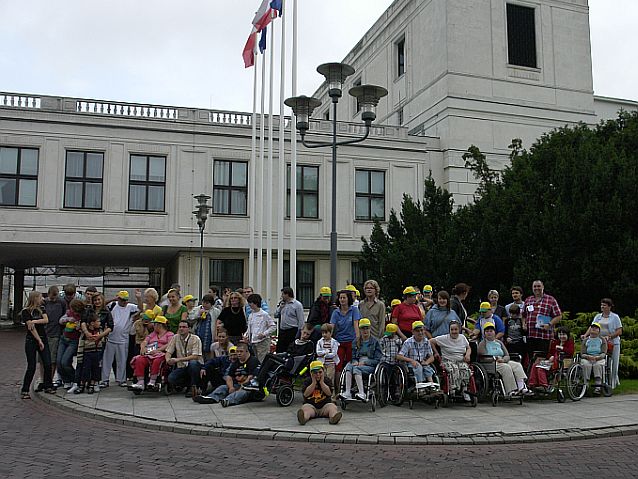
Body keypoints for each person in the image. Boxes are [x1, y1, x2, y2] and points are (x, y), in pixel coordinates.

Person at [244, 323, 315, 392]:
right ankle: (259, 379)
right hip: (287, 359)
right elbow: (288, 352)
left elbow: (302, 357)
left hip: (292, 364)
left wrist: (289, 356)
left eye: (307, 334)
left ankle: (257, 380)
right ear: (301, 330)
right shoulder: (295, 342)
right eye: (304, 332)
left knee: (269, 357)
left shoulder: (309, 345)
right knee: (269, 359)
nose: (305, 335)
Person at [194, 342, 259, 407]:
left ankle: (228, 400)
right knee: (223, 387)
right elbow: (229, 377)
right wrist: (231, 387)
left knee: (242, 392)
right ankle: (212, 398)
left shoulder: (253, 361)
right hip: (238, 385)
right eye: (237, 351)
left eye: (241, 351)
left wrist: (242, 387)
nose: (238, 354)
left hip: (250, 388)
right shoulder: (236, 362)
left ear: (247, 351)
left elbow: (251, 378)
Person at [101, 290, 142, 388]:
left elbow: (141, 308)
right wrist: (114, 299)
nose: (124, 302)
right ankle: (104, 380)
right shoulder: (113, 305)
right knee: (107, 360)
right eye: (122, 300)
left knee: (122, 360)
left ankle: (121, 379)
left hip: (123, 338)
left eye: (126, 300)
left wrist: (139, 298)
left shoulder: (130, 307)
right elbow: (103, 304)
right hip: (111, 337)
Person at [477, 322, 531, 396]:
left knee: (517, 365)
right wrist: (494, 359)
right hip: (491, 363)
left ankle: (521, 387)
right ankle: (511, 390)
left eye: (491, 331)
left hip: (502, 361)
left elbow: (507, 355)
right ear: (484, 333)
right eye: (487, 331)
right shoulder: (482, 344)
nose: (489, 333)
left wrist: (503, 360)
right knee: (506, 367)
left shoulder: (499, 342)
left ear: (494, 332)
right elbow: (482, 357)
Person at [21, 291, 55, 398]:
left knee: (48, 363)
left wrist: (34, 321)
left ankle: (48, 385)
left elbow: (46, 320)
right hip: (32, 340)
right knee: (31, 365)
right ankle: (25, 390)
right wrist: (38, 340)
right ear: (35, 298)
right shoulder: (26, 311)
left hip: (43, 337)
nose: (42, 299)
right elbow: (31, 329)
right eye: (40, 297)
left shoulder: (42, 309)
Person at [339, 318, 382, 400]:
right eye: (363, 328)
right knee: (348, 366)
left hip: (370, 364)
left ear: (370, 328)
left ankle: (362, 393)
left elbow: (378, 359)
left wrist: (365, 362)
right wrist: (354, 361)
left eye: (367, 328)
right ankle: (347, 392)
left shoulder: (375, 342)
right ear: (360, 330)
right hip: (358, 362)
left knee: (356, 368)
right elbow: (354, 356)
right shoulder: (356, 341)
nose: (365, 331)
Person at [583, 298, 622, 389]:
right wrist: (585, 335)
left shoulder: (615, 317)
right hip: (600, 342)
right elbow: (592, 327)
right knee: (602, 362)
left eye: (604, 305)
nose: (602, 307)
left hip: (613, 342)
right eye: (601, 305)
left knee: (613, 363)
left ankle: (612, 383)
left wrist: (610, 336)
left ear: (609, 307)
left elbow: (619, 331)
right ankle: (602, 381)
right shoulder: (598, 316)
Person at [430, 321, 472, 401]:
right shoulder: (444, 338)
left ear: (459, 329)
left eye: (456, 329)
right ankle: (453, 389)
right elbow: (431, 341)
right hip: (448, 360)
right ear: (449, 330)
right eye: (451, 329)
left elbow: (468, 348)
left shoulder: (462, 337)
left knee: (465, 369)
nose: (454, 331)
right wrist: (436, 352)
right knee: (454, 369)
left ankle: (464, 390)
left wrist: (467, 354)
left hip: (460, 360)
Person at [130, 316, 174, 391]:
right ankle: (140, 382)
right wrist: (143, 348)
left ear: (159, 325)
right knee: (139, 359)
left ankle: (152, 381)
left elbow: (170, 344)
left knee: (157, 360)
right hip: (150, 353)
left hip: (162, 353)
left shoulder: (169, 334)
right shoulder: (153, 334)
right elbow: (145, 341)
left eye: (155, 324)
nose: (153, 326)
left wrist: (158, 350)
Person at [522, 280, 562, 358]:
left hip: (544, 336)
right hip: (530, 335)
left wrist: (549, 324)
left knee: (541, 359)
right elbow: (523, 315)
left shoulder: (551, 300)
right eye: (535, 286)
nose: (537, 288)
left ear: (543, 287)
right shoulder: (528, 300)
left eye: (539, 286)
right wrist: (524, 323)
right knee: (531, 359)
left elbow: (559, 316)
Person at [528, 326, 574, 392]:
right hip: (552, 361)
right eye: (560, 334)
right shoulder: (555, 342)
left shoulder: (569, 342)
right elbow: (550, 353)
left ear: (567, 335)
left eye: (564, 334)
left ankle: (544, 386)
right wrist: (551, 356)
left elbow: (571, 352)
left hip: (562, 361)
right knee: (535, 365)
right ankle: (532, 384)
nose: (562, 336)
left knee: (540, 369)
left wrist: (562, 348)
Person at [165, 320, 204, 398]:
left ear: (189, 329)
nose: (181, 329)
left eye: (184, 327)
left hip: (195, 365)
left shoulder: (195, 338)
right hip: (182, 366)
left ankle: (193, 386)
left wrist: (178, 359)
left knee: (193, 363)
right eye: (180, 327)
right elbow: (168, 351)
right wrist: (168, 360)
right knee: (171, 378)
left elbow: (196, 356)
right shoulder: (175, 337)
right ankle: (186, 384)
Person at [296, 361, 342, 425]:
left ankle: (333, 418)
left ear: (323, 372)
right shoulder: (307, 381)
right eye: (315, 373)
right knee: (305, 408)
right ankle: (303, 418)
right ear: (311, 373)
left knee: (332, 407)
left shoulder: (326, 380)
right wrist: (313, 383)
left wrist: (322, 383)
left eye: (320, 372)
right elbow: (306, 394)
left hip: (325, 406)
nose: (318, 375)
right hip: (311, 406)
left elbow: (329, 393)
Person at [330, 290, 361, 379]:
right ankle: (337, 388)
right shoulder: (336, 312)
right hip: (339, 341)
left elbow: (356, 325)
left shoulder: (354, 310)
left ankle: (351, 385)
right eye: (340, 298)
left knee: (350, 363)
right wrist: (328, 339)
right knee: (338, 365)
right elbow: (332, 326)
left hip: (351, 341)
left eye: (344, 298)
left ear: (348, 299)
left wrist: (358, 339)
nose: (342, 300)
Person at [396, 321, 435, 387]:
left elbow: (432, 357)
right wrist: (411, 360)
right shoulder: (408, 342)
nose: (420, 332)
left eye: (421, 330)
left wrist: (426, 362)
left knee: (427, 368)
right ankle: (420, 385)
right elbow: (399, 356)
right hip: (411, 363)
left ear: (424, 331)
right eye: (417, 331)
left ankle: (431, 385)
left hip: (422, 362)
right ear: (413, 332)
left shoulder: (426, 342)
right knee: (418, 367)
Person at [41, 286, 66, 389]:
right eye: (52, 297)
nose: (53, 299)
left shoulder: (61, 302)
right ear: (48, 294)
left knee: (52, 360)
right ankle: (43, 380)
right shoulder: (44, 302)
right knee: (42, 360)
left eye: (55, 297)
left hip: (55, 334)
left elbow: (65, 314)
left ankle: (49, 380)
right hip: (44, 333)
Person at [75, 311, 106, 394]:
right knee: (85, 369)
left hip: (97, 353)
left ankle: (92, 385)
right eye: (98, 321)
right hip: (87, 353)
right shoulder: (85, 333)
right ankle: (82, 385)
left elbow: (102, 340)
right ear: (92, 323)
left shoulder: (100, 331)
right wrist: (80, 355)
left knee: (95, 369)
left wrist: (100, 337)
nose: (99, 323)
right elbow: (81, 343)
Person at [57, 298, 84, 389]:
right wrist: (68, 319)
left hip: (73, 341)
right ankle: (66, 380)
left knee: (65, 361)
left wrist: (79, 327)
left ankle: (75, 378)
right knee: (59, 361)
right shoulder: (69, 313)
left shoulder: (82, 316)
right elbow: (61, 320)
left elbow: (83, 328)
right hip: (64, 339)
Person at [244, 293, 276, 362]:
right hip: (253, 341)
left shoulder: (264, 314)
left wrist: (264, 334)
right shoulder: (251, 315)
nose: (249, 304)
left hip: (262, 342)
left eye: (250, 303)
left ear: (255, 303)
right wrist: (246, 335)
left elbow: (273, 326)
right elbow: (250, 328)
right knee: (255, 360)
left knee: (262, 360)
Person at [274, 287, 305, 353]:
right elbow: (275, 315)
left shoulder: (297, 305)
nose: (281, 296)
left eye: (283, 294)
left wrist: (300, 332)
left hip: (292, 330)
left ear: (287, 294)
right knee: (280, 349)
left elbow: (301, 319)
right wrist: (280, 307)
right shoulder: (282, 304)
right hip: (282, 331)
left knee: (290, 349)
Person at [580, 322, 608, 393]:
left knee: (597, 365)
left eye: (596, 328)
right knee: (586, 364)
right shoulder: (586, 340)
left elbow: (604, 352)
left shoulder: (602, 340)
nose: (594, 329)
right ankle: (585, 385)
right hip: (587, 357)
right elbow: (582, 353)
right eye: (592, 328)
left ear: (599, 330)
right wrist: (587, 356)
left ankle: (598, 386)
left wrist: (597, 357)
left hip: (599, 357)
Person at [193, 294, 220, 360]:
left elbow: (218, 322)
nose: (204, 304)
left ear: (211, 304)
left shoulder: (216, 311)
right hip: (199, 333)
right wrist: (199, 314)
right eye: (203, 302)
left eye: (207, 303)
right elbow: (191, 317)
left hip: (209, 335)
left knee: (209, 351)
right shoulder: (197, 309)